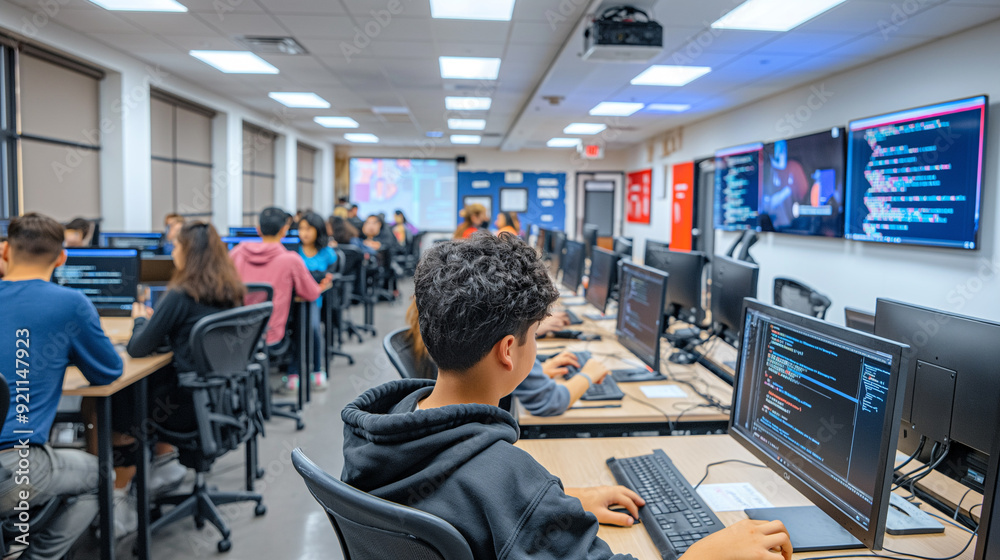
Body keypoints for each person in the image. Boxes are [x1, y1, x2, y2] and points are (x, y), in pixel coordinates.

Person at [342, 232, 793, 560]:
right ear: (508, 351)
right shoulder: (506, 476)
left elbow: (464, 501)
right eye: (535, 335)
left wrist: (563, 500)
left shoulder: (382, 429)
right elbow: (497, 494)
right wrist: (706, 555)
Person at [0, 213, 123, 560]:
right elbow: (108, 371)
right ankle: (38, 556)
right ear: (62, 256)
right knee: (101, 475)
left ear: (5, 250)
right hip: (14, 467)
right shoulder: (69, 303)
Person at [113, 222, 246, 507]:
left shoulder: (181, 294)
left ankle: (119, 495)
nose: (173, 251)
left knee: (118, 400)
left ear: (189, 253)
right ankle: (163, 462)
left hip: (185, 406)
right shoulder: (232, 289)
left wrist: (139, 319)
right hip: (223, 400)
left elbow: (138, 348)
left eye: (177, 246)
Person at [403, 299, 612, 415]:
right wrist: (588, 375)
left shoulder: (389, 417)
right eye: (534, 334)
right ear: (507, 350)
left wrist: (540, 369)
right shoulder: (506, 467)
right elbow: (548, 401)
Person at [231, 207, 331, 392]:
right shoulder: (290, 260)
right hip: (271, 337)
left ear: (258, 229)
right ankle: (306, 375)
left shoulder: (236, 253)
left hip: (235, 333)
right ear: (285, 230)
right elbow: (311, 294)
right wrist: (321, 287)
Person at [296, 212, 339, 390]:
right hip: (294, 300)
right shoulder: (294, 250)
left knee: (313, 329)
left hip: (314, 300)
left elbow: (328, 277)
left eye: (309, 229)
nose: (304, 233)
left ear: (318, 230)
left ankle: (316, 369)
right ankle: (293, 371)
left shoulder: (327, 253)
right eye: (301, 228)